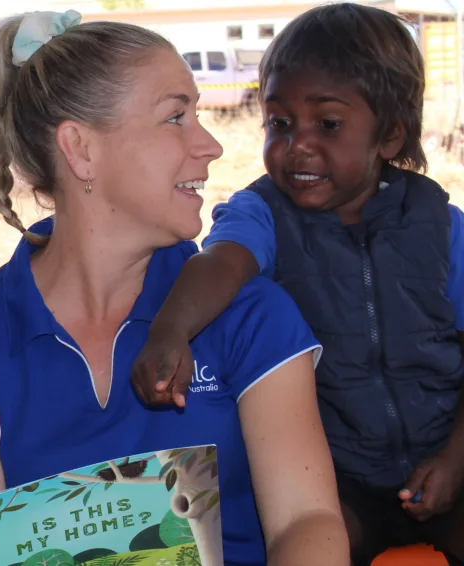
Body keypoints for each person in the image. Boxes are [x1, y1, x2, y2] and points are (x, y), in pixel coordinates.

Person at [0, 10, 349, 565]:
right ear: (81, 149)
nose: (210, 144)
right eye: (176, 118)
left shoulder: (250, 316)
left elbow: (305, 520)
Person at [130, 4, 464, 565]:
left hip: (450, 457)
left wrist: (456, 460)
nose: (297, 146)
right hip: (339, 479)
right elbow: (223, 261)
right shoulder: (262, 214)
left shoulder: (442, 228)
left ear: (390, 135)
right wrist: (171, 331)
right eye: (279, 124)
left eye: (327, 125)